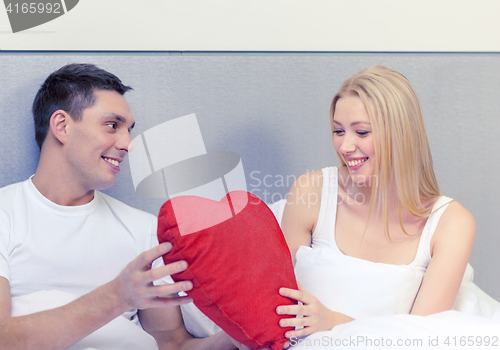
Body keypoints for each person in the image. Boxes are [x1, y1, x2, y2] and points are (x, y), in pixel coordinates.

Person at [0, 63, 243, 350]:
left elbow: (172, 343)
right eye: (112, 126)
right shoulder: (7, 215)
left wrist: (239, 335)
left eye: (128, 130)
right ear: (62, 126)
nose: (128, 144)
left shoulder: (145, 232)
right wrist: (116, 297)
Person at [274, 65, 481, 339]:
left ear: (401, 135)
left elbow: (420, 339)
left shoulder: (451, 223)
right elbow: (276, 301)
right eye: (338, 131)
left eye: (361, 133)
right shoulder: (310, 191)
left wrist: (335, 322)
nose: (345, 147)